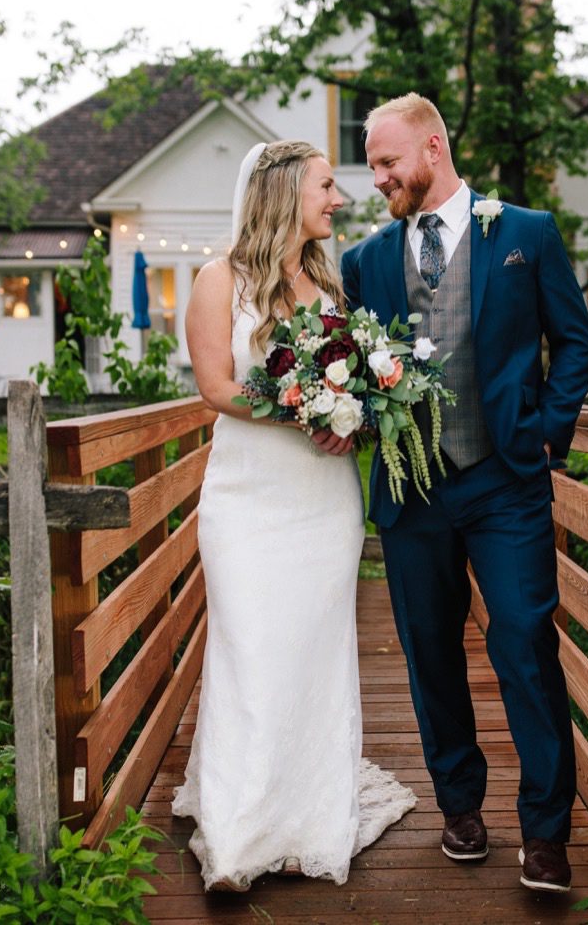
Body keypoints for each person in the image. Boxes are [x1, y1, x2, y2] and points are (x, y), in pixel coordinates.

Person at [341, 94, 588, 893]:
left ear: (434, 147)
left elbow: (576, 344)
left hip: (505, 481)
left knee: (524, 642)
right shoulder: (367, 261)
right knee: (431, 655)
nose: (377, 177)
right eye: (373, 165)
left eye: (387, 162)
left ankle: (547, 832)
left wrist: (549, 429)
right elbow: (353, 366)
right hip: (411, 491)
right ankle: (459, 806)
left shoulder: (525, 234)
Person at [175, 139, 415, 892]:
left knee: (311, 651)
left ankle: (309, 810)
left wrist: (355, 413)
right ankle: (242, 823)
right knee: (250, 649)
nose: (338, 200)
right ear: (283, 192)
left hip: (322, 503)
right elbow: (216, 386)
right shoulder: (221, 281)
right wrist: (304, 407)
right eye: (325, 186)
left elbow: (354, 386)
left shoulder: (330, 288)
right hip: (247, 500)